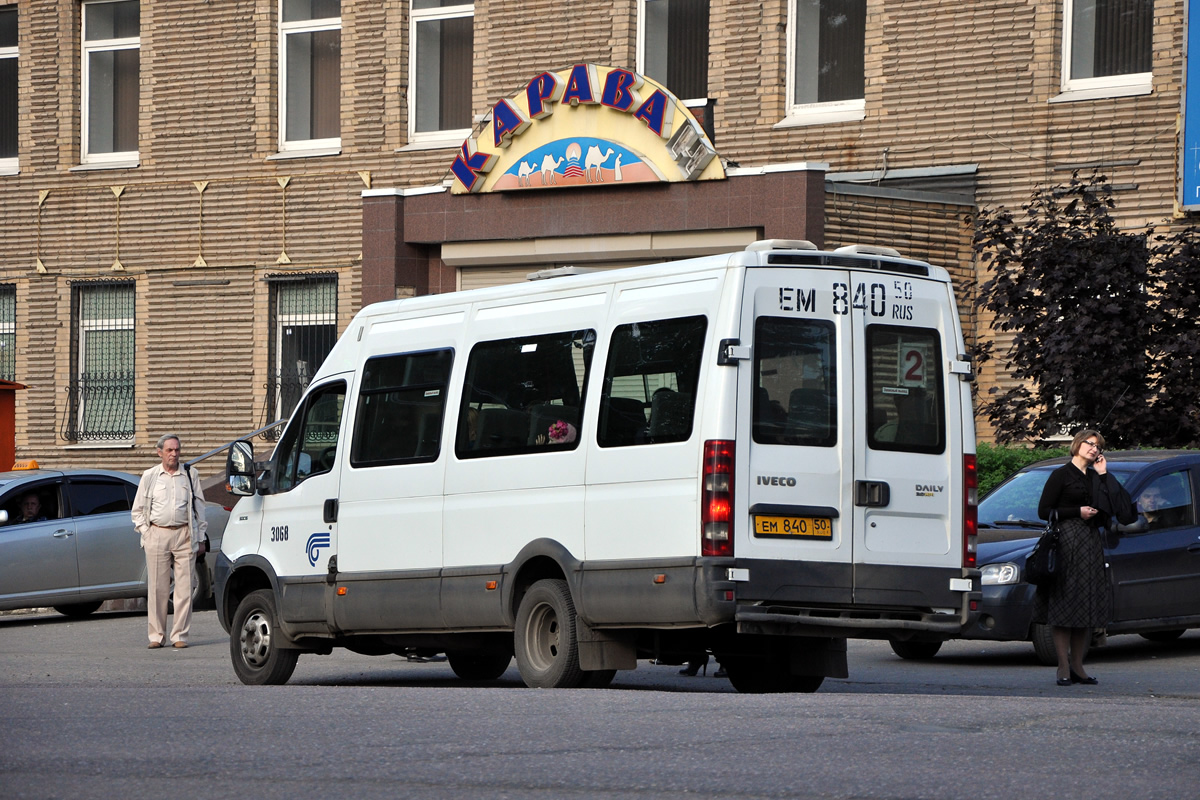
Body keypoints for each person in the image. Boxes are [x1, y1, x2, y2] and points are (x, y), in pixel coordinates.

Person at [1035, 429, 1135, 686]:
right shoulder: (1061, 475)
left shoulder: (1095, 476)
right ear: (1077, 444)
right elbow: (1043, 510)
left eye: (1098, 446)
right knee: (1065, 605)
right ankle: (1063, 666)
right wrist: (1076, 511)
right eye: (1089, 443)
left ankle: (1079, 666)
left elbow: (1122, 510)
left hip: (1090, 544)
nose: (1093, 448)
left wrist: (1104, 475)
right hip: (1067, 541)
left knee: (1085, 607)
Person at [131, 433, 208, 650]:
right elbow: (137, 511)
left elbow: (199, 508)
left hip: (184, 534)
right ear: (160, 453)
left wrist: (201, 537)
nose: (174, 454)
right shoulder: (150, 476)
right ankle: (156, 635)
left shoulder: (190, 475)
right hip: (157, 534)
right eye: (169, 450)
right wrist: (147, 533)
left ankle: (180, 635)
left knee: (185, 587)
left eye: (177, 450)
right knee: (158, 587)